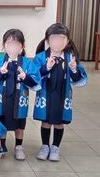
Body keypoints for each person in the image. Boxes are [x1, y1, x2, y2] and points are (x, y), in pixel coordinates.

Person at [33, 23, 87, 162]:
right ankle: (45, 146)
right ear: (48, 41)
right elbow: (34, 75)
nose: (57, 42)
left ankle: (55, 147)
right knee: (45, 121)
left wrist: (74, 69)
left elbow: (77, 79)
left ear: (67, 41)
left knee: (59, 121)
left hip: (62, 95)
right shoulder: (40, 57)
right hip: (46, 93)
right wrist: (47, 67)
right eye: (54, 39)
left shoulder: (70, 58)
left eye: (61, 38)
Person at [0, 29, 41, 160]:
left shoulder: (27, 63)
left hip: (20, 99)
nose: (12, 47)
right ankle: (1, 146)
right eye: (9, 44)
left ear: (22, 47)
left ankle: (18, 147)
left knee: (19, 123)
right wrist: (0, 72)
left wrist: (25, 77)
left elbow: (36, 82)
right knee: (2, 122)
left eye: (16, 44)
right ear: (4, 45)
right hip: (2, 100)